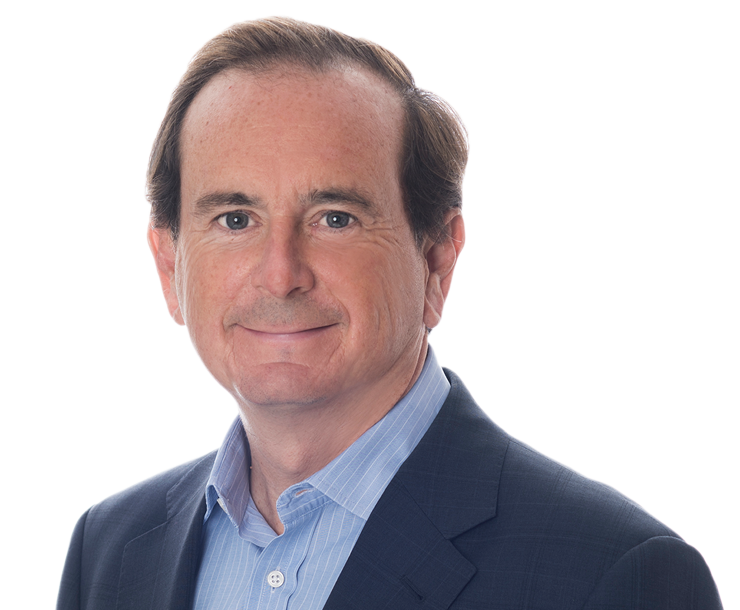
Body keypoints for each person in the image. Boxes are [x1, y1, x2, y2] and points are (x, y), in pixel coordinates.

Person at [56, 16, 723, 610]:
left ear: (436, 260)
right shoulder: (110, 553)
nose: (281, 274)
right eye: (235, 219)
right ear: (169, 266)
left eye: (335, 218)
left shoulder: (613, 577)